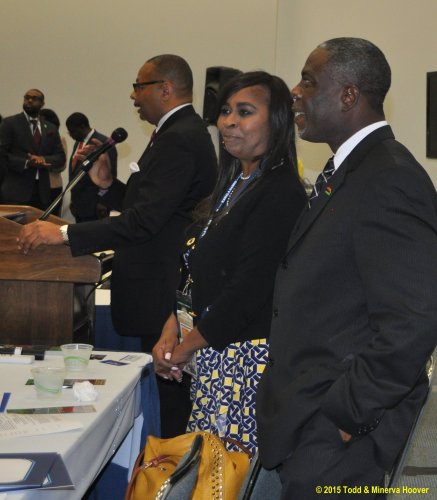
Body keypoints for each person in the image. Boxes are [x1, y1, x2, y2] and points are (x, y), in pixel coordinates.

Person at [256, 37, 437, 499]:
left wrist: (347, 415)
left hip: (341, 439)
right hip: (309, 420)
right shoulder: (349, 171)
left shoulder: (390, 176)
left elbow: (415, 317)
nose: (295, 92)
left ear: (349, 95)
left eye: (309, 81)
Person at [17, 55, 218, 437]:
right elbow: (154, 208)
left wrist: (64, 234)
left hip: (160, 289)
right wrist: (108, 185)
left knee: (167, 409)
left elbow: (144, 222)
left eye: (139, 86)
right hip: (157, 286)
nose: (133, 95)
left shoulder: (178, 138)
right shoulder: (178, 132)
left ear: (165, 88)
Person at [152, 71, 307, 456]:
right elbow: (196, 270)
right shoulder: (233, 183)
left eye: (245, 112)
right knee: (207, 471)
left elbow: (248, 291)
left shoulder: (281, 191)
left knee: (225, 475)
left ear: (277, 121)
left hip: (244, 363)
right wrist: (172, 328)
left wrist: (186, 346)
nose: (228, 122)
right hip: (211, 354)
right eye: (225, 111)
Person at [0, 89, 66, 210]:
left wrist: (42, 159)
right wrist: (26, 162)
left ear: (42, 104)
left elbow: (60, 157)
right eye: (27, 97)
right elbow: (2, 154)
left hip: (42, 192)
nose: (30, 100)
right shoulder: (10, 123)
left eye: (35, 98)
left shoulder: (50, 128)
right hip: (15, 191)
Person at [65, 112, 118, 222]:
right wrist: (73, 200)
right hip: (79, 205)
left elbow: (110, 175)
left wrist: (102, 202)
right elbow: (76, 172)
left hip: (95, 206)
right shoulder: (78, 142)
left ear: (82, 127)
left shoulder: (103, 143)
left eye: (72, 131)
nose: (71, 135)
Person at [39, 108, 67, 216]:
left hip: (53, 186)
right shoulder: (32, 140)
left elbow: (62, 165)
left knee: (53, 218)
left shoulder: (60, 139)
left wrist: (42, 163)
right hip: (35, 186)